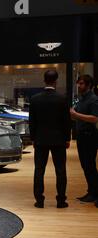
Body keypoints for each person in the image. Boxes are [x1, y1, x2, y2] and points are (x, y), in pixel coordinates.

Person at [29, 70, 71, 209]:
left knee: (39, 170)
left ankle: (39, 201)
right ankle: (60, 201)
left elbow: (32, 122)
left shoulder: (35, 99)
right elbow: (66, 121)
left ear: (44, 80)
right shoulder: (62, 98)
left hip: (40, 139)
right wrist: (67, 138)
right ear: (56, 81)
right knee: (60, 170)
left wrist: (33, 138)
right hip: (58, 139)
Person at [70, 75, 98, 207]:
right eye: (78, 84)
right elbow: (80, 117)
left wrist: (76, 115)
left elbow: (94, 118)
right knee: (85, 166)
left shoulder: (93, 100)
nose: (79, 86)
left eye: (81, 84)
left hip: (90, 136)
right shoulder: (82, 99)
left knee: (90, 166)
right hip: (82, 136)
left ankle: (95, 193)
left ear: (89, 85)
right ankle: (91, 191)